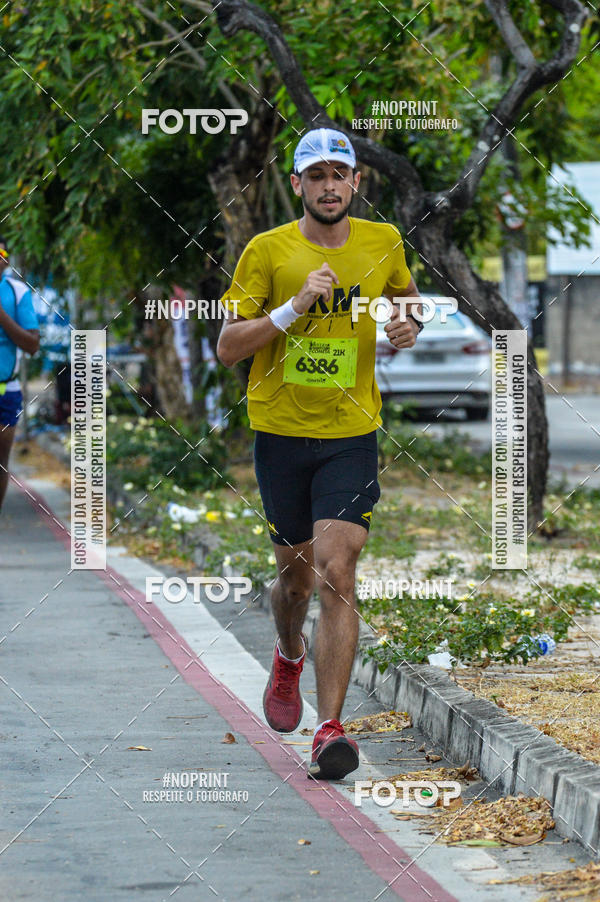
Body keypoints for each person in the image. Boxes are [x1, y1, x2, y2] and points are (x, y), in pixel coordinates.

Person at [217, 129, 422, 779]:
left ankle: (330, 728)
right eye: (316, 175)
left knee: (338, 571)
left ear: (356, 181)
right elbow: (228, 346)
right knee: (296, 581)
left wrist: (409, 325)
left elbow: (408, 299)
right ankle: (288, 653)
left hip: (350, 432)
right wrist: (292, 308)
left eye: (340, 174)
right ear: (297, 184)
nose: (329, 186)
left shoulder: (383, 241)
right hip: (279, 433)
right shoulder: (266, 250)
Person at [0, 238, 40, 512]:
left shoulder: (17, 292)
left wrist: (2, 315)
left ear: (6, 260)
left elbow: (32, 345)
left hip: (6, 390)